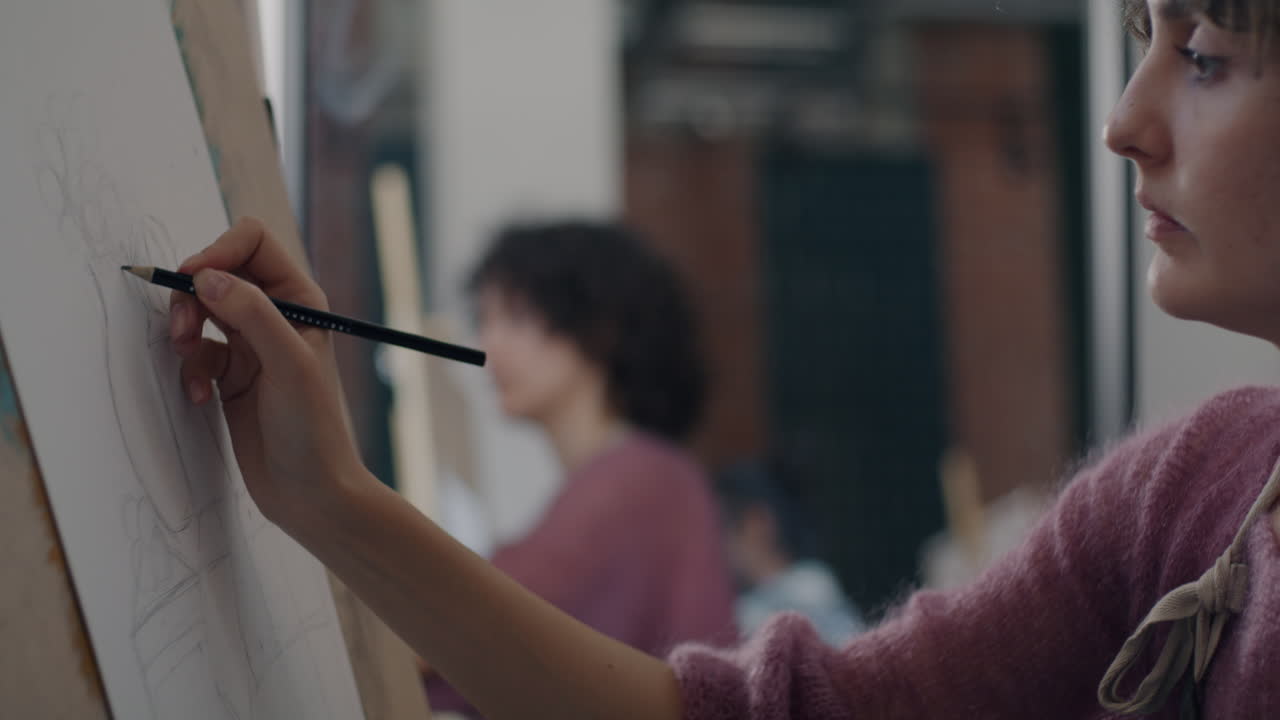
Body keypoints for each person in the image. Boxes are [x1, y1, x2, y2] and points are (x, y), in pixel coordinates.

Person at [167, 1, 1280, 715]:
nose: (1120, 120)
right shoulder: (1190, 489)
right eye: (1136, 39)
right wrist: (331, 500)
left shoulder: (632, 486)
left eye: (1200, 55)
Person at [425, 221, 737, 714]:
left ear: (599, 329)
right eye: (485, 319)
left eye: (518, 317)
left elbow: (481, 618)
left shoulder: (638, 478)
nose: (490, 342)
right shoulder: (651, 473)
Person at [715, 459, 864, 646]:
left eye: (719, 528)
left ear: (756, 523)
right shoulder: (744, 605)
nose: (714, 546)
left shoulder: (810, 586)